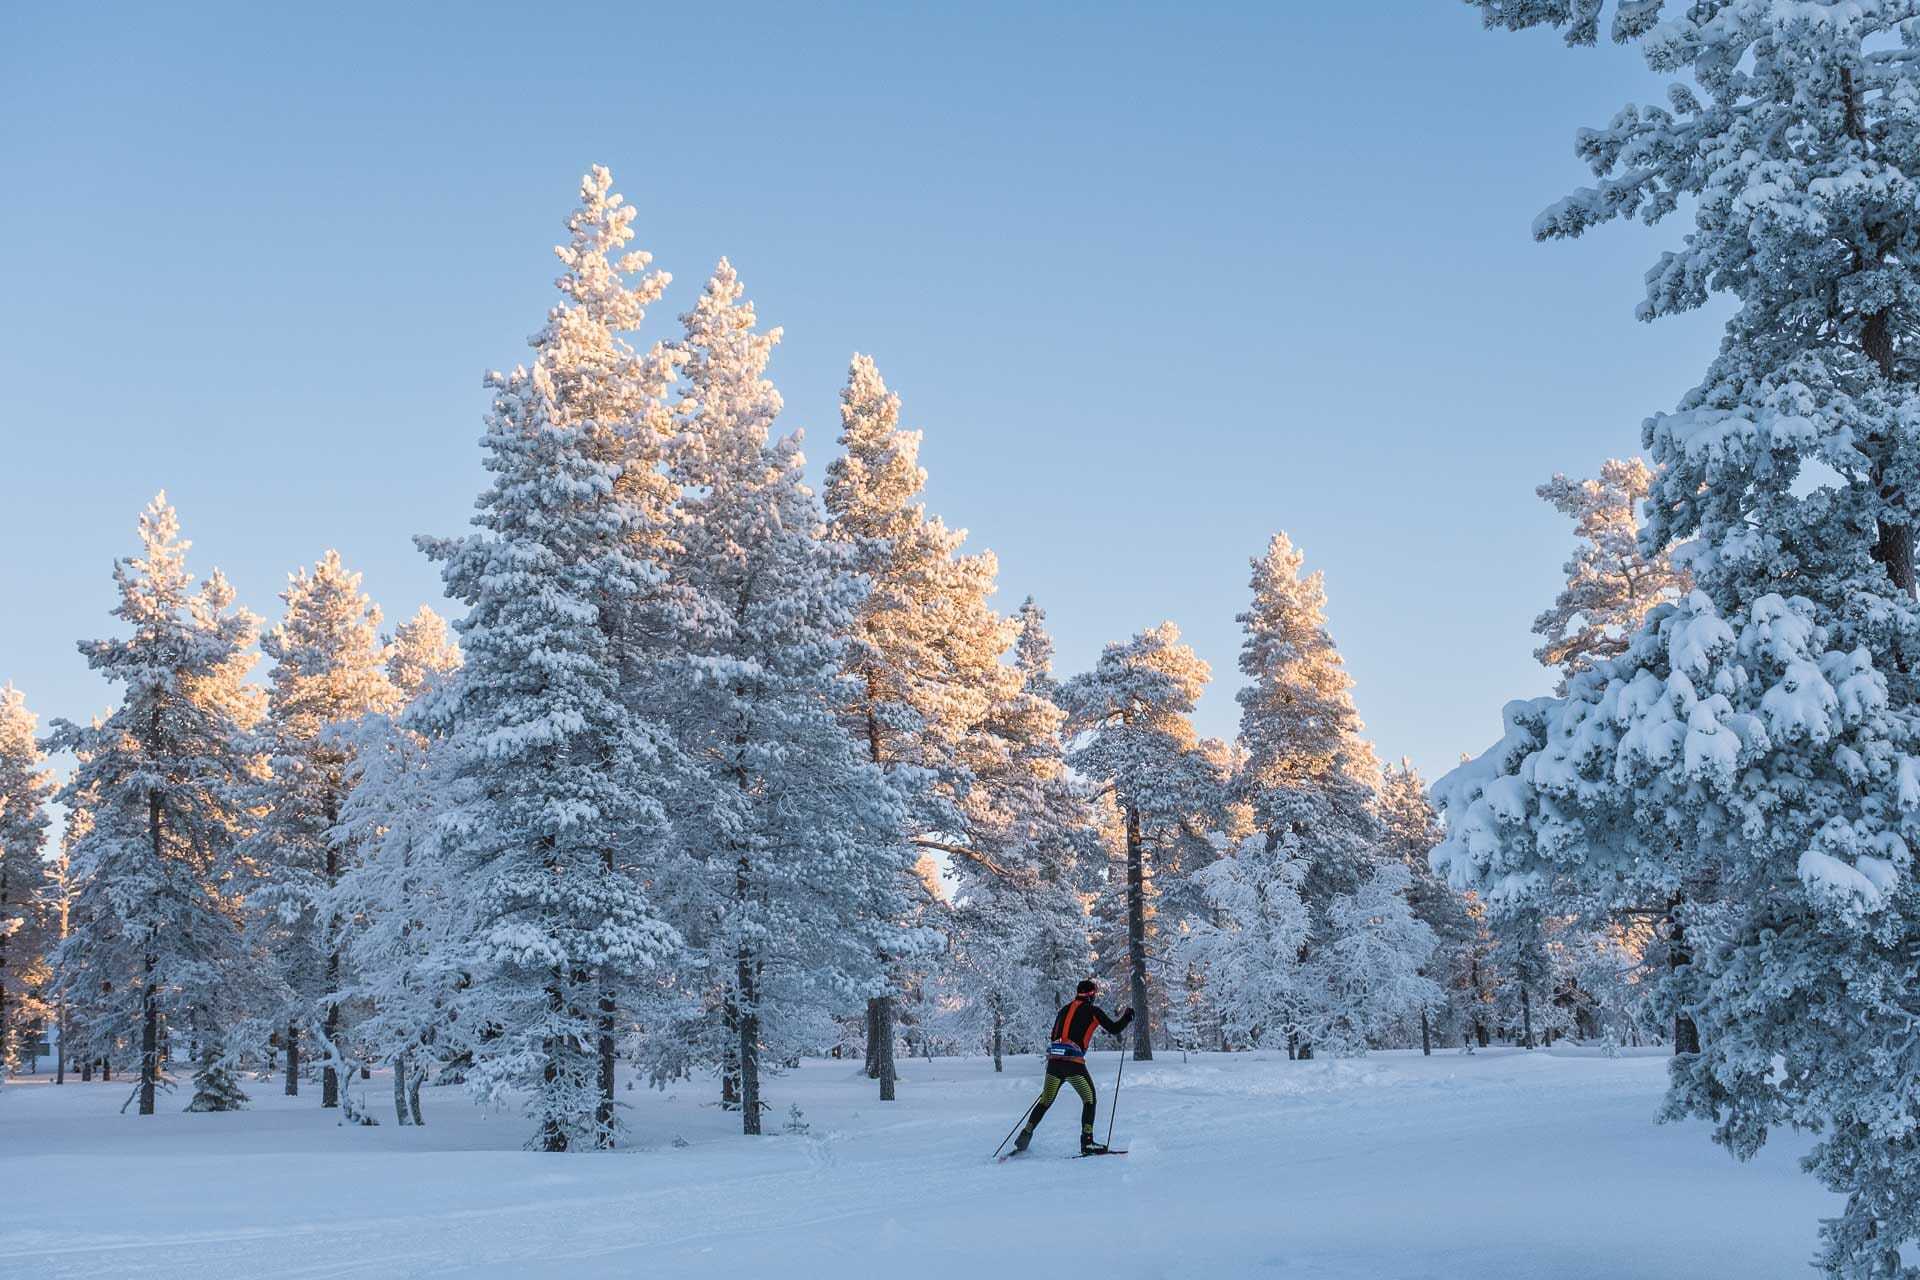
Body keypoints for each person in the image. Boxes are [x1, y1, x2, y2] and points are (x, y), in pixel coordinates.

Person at [1012, 979, 1133, 1155]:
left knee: (1045, 1101)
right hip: (1073, 1064)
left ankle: (1026, 1134)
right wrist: (1127, 1017)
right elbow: (1114, 1029)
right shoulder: (1093, 1011)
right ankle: (1087, 1142)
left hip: (1054, 1063)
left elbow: (1053, 1036)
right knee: (1089, 1099)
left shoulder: (1063, 1010)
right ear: (1092, 995)